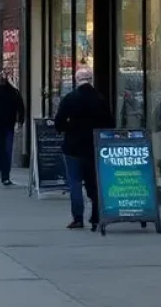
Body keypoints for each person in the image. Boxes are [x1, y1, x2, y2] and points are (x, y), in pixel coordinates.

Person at [54, 66, 113, 231]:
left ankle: (78, 218)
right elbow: (110, 123)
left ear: (77, 80)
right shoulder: (100, 98)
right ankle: (96, 216)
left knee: (75, 182)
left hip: (73, 146)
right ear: (91, 80)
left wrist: (68, 128)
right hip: (94, 146)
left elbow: (59, 122)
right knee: (93, 181)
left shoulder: (70, 98)